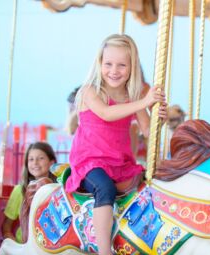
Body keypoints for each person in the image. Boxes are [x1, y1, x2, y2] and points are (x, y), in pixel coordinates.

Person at [66, 34, 167, 255]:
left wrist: (159, 116)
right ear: (99, 63)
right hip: (90, 162)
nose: (114, 70)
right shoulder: (89, 91)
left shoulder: (132, 95)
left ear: (132, 68)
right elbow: (106, 113)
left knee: (150, 187)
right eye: (108, 64)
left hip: (120, 162)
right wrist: (144, 101)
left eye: (122, 65)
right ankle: (104, 250)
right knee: (105, 188)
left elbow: (149, 130)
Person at [2, 142, 57, 243]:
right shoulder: (20, 190)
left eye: (40, 158)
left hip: (53, 246)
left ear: (51, 163)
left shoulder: (59, 190)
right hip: (25, 245)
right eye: (31, 159)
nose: (35, 163)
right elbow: (6, 226)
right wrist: (11, 242)